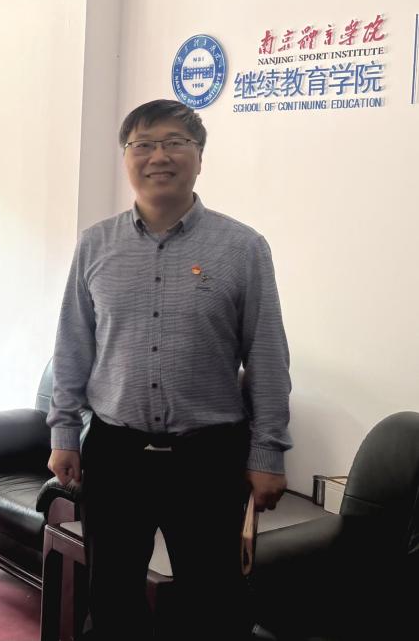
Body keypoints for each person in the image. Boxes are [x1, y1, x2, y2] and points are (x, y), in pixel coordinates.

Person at [47, 99, 292, 641]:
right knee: (111, 600)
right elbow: (72, 346)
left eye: (175, 143)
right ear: (126, 157)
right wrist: (63, 432)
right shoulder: (95, 244)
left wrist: (268, 453)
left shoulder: (243, 248)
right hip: (115, 452)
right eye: (143, 144)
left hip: (209, 458)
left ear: (199, 156)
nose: (159, 156)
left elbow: (268, 356)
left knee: (215, 604)